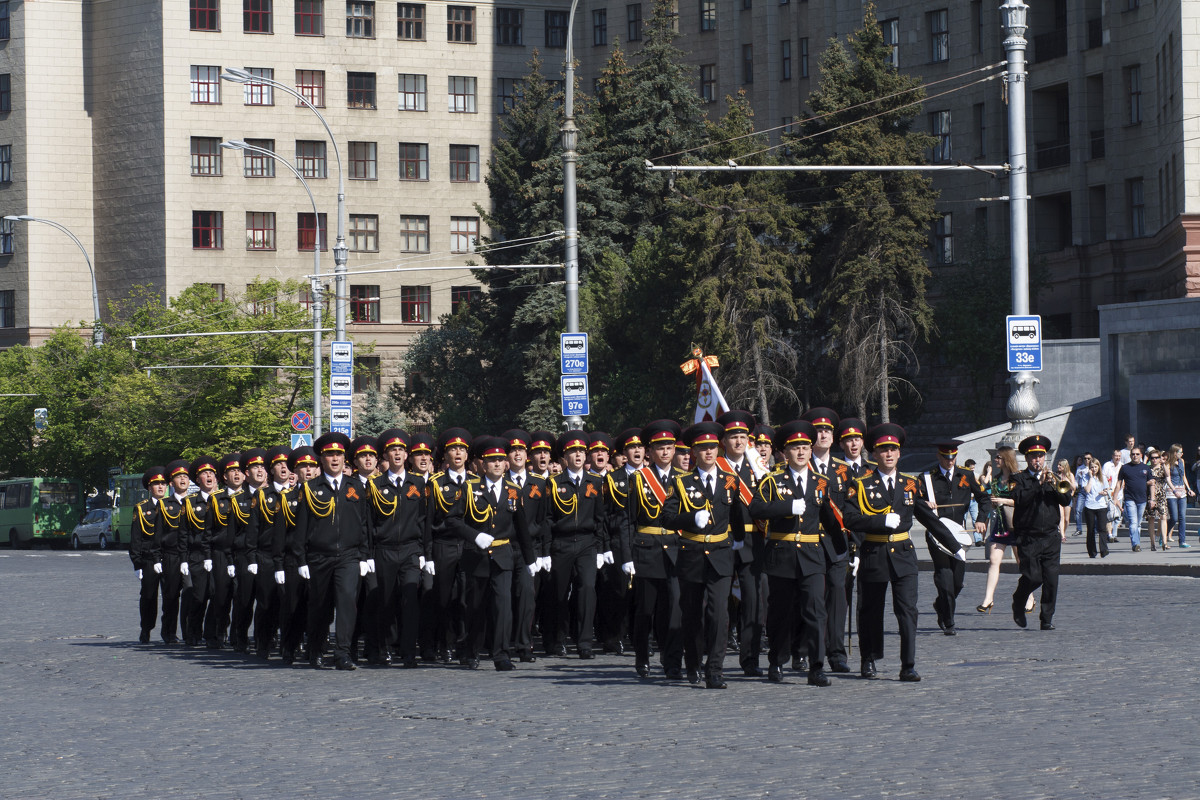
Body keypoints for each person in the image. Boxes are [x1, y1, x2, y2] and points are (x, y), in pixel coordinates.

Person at [840, 424, 964, 682]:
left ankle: (908, 664)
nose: (888, 454)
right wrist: (879, 522)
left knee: (908, 610)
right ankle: (869, 659)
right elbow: (850, 518)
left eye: (893, 450)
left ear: (899, 454)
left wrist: (955, 546)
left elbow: (929, 517)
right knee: (870, 610)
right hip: (874, 551)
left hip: (904, 555)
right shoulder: (861, 483)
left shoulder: (909, 483)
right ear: (874, 454)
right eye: (883, 450)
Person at [750, 420, 847, 687]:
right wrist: (784, 507)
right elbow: (755, 509)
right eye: (795, 448)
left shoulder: (821, 482)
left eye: (805, 447)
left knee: (816, 612)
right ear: (784, 452)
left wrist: (844, 550)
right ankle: (776, 661)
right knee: (780, 612)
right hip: (781, 555)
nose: (801, 452)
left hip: (813, 556)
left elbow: (830, 518)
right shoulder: (772, 481)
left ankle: (816, 666)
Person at [665, 422, 747, 689]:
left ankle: (715, 669)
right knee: (692, 615)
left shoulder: (730, 481)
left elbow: (736, 514)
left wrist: (739, 539)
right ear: (694, 452)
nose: (709, 452)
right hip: (692, 555)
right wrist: (690, 518)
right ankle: (692, 664)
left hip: (721, 555)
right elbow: (666, 518)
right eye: (703, 448)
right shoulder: (681, 482)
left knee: (719, 614)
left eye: (713, 447)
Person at [447, 436, 537, 670]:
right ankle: (471, 651)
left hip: (504, 555)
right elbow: (453, 520)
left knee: (503, 606)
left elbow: (522, 527)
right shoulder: (470, 488)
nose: (497, 464)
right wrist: (474, 535)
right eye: (491, 460)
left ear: (506, 463)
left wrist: (530, 559)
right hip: (477, 557)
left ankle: (501, 654)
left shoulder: (513, 490)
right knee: (475, 607)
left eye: (500, 460)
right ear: (482, 464)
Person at [295, 431, 371, 670]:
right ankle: (316, 649)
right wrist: (301, 560)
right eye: (330, 454)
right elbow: (301, 528)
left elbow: (364, 524)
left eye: (338, 454)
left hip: (349, 556)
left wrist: (364, 556)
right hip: (319, 556)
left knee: (347, 603)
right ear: (322, 458)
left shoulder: (356, 487)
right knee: (320, 605)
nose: (335, 459)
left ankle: (342, 653)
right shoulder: (310, 488)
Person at [623, 420, 685, 680]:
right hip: (646, 550)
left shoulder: (684, 479)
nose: (665, 452)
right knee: (645, 610)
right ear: (649, 451)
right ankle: (642, 657)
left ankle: (672, 662)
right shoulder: (638, 479)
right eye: (659, 448)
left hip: (675, 551)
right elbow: (628, 520)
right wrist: (627, 557)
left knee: (674, 610)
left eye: (669, 447)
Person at [544, 432, 609, 659]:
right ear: (565, 457)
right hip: (561, 544)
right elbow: (548, 519)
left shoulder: (596, 482)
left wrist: (602, 549)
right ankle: (560, 639)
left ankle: (584, 642)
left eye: (582, 451)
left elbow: (601, 519)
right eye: (573, 452)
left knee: (587, 590)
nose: (579, 455)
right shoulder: (553, 483)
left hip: (587, 543)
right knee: (560, 594)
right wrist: (546, 550)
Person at [715, 409, 770, 678]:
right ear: (723, 441)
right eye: (733, 437)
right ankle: (714, 659)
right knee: (717, 602)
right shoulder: (714, 467)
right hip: (722, 540)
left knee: (753, 602)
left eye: (743, 437)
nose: (738, 442)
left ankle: (750, 660)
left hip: (752, 540)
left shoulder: (758, 468)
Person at [920, 440, 991, 636]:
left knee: (957, 582)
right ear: (938, 456)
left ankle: (940, 605)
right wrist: (924, 503)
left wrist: (981, 519)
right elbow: (912, 501)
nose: (950, 461)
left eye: (953, 458)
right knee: (944, 577)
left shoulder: (966, 475)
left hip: (960, 534)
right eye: (945, 457)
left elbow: (984, 498)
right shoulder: (927, 478)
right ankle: (949, 621)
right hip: (937, 533)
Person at [1010, 435, 1072, 631]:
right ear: (1027, 459)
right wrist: (1038, 485)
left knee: (1051, 580)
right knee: (1033, 577)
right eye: (1034, 457)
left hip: (1051, 537)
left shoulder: (1052, 478)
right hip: (1029, 537)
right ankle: (1019, 599)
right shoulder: (1018, 479)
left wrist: (1055, 486)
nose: (1038, 460)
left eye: (1041, 456)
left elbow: (1066, 500)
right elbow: (1020, 499)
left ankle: (1046, 619)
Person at [977, 446, 1033, 614]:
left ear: (1007, 459)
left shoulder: (1018, 479)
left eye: (999, 457)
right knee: (994, 560)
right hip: (1000, 524)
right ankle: (988, 598)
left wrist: (1003, 500)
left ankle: (1029, 597)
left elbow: (1024, 501)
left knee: (1021, 562)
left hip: (1017, 524)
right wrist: (984, 519)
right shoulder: (995, 480)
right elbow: (989, 502)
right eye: (996, 457)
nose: (996, 460)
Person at [128, 466, 168, 643]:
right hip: (148, 559)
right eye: (156, 484)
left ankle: (169, 631)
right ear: (149, 488)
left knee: (171, 596)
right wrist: (137, 563)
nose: (160, 487)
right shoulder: (142, 508)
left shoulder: (172, 506)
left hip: (168, 558)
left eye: (163, 483)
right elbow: (136, 537)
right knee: (149, 596)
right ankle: (146, 629)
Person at [1116, 447, 1152, 551]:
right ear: (1130, 455)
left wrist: (1152, 498)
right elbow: (1119, 483)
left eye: (1137, 454)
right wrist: (1115, 498)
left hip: (1142, 498)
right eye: (1133, 454)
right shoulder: (1125, 468)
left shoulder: (1146, 468)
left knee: (1139, 523)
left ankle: (1137, 542)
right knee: (1133, 522)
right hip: (1129, 498)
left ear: (1141, 455)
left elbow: (1152, 483)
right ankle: (1135, 543)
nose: (1135, 456)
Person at [1080, 457, 1111, 558]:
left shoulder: (1103, 477)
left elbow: (1107, 490)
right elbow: (1087, 490)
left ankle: (1103, 550)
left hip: (1101, 505)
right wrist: (1091, 478)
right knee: (1091, 529)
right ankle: (1092, 551)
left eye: (1095, 467)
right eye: (1092, 467)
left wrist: (1104, 492)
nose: (1094, 469)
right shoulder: (1086, 477)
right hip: (1090, 506)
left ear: (1099, 467)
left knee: (1102, 528)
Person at [1164, 443, 1195, 547]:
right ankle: (1164, 534)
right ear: (1174, 453)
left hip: (1182, 491)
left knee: (1182, 517)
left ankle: (1182, 541)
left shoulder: (1181, 461)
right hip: (1171, 492)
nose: (1182, 454)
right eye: (1180, 452)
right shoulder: (1167, 463)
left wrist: (1189, 489)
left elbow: (1183, 476)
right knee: (1174, 518)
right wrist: (1174, 491)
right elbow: (1168, 479)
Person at [1145, 448, 1168, 551]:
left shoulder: (1163, 467)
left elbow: (1168, 476)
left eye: (1156, 458)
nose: (1154, 460)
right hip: (1150, 496)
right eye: (1152, 458)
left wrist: (1163, 463)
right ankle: (1152, 543)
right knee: (1151, 519)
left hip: (1161, 495)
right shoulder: (1147, 469)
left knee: (1163, 517)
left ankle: (1164, 542)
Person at [1102, 450, 1123, 542]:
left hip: (1119, 494)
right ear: (1112, 456)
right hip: (1109, 495)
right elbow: (1103, 478)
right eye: (1116, 456)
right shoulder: (1107, 465)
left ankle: (1114, 534)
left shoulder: (1122, 466)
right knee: (1110, 515)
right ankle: (1110, 535)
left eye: (1119, 456)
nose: (1117, 458)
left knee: (1117, 516)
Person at [1073, 454, 1092, 536]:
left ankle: (1093, 529)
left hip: (1091, 491)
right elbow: (1076, 480)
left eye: (1088, 458)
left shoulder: (1093, 467)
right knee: (1078, 510)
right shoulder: (1080, 468)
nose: (1087, 460)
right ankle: (1079, 529)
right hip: (1082, 490)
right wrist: (1074, 488)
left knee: (1092, 510)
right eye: (1085, 458)